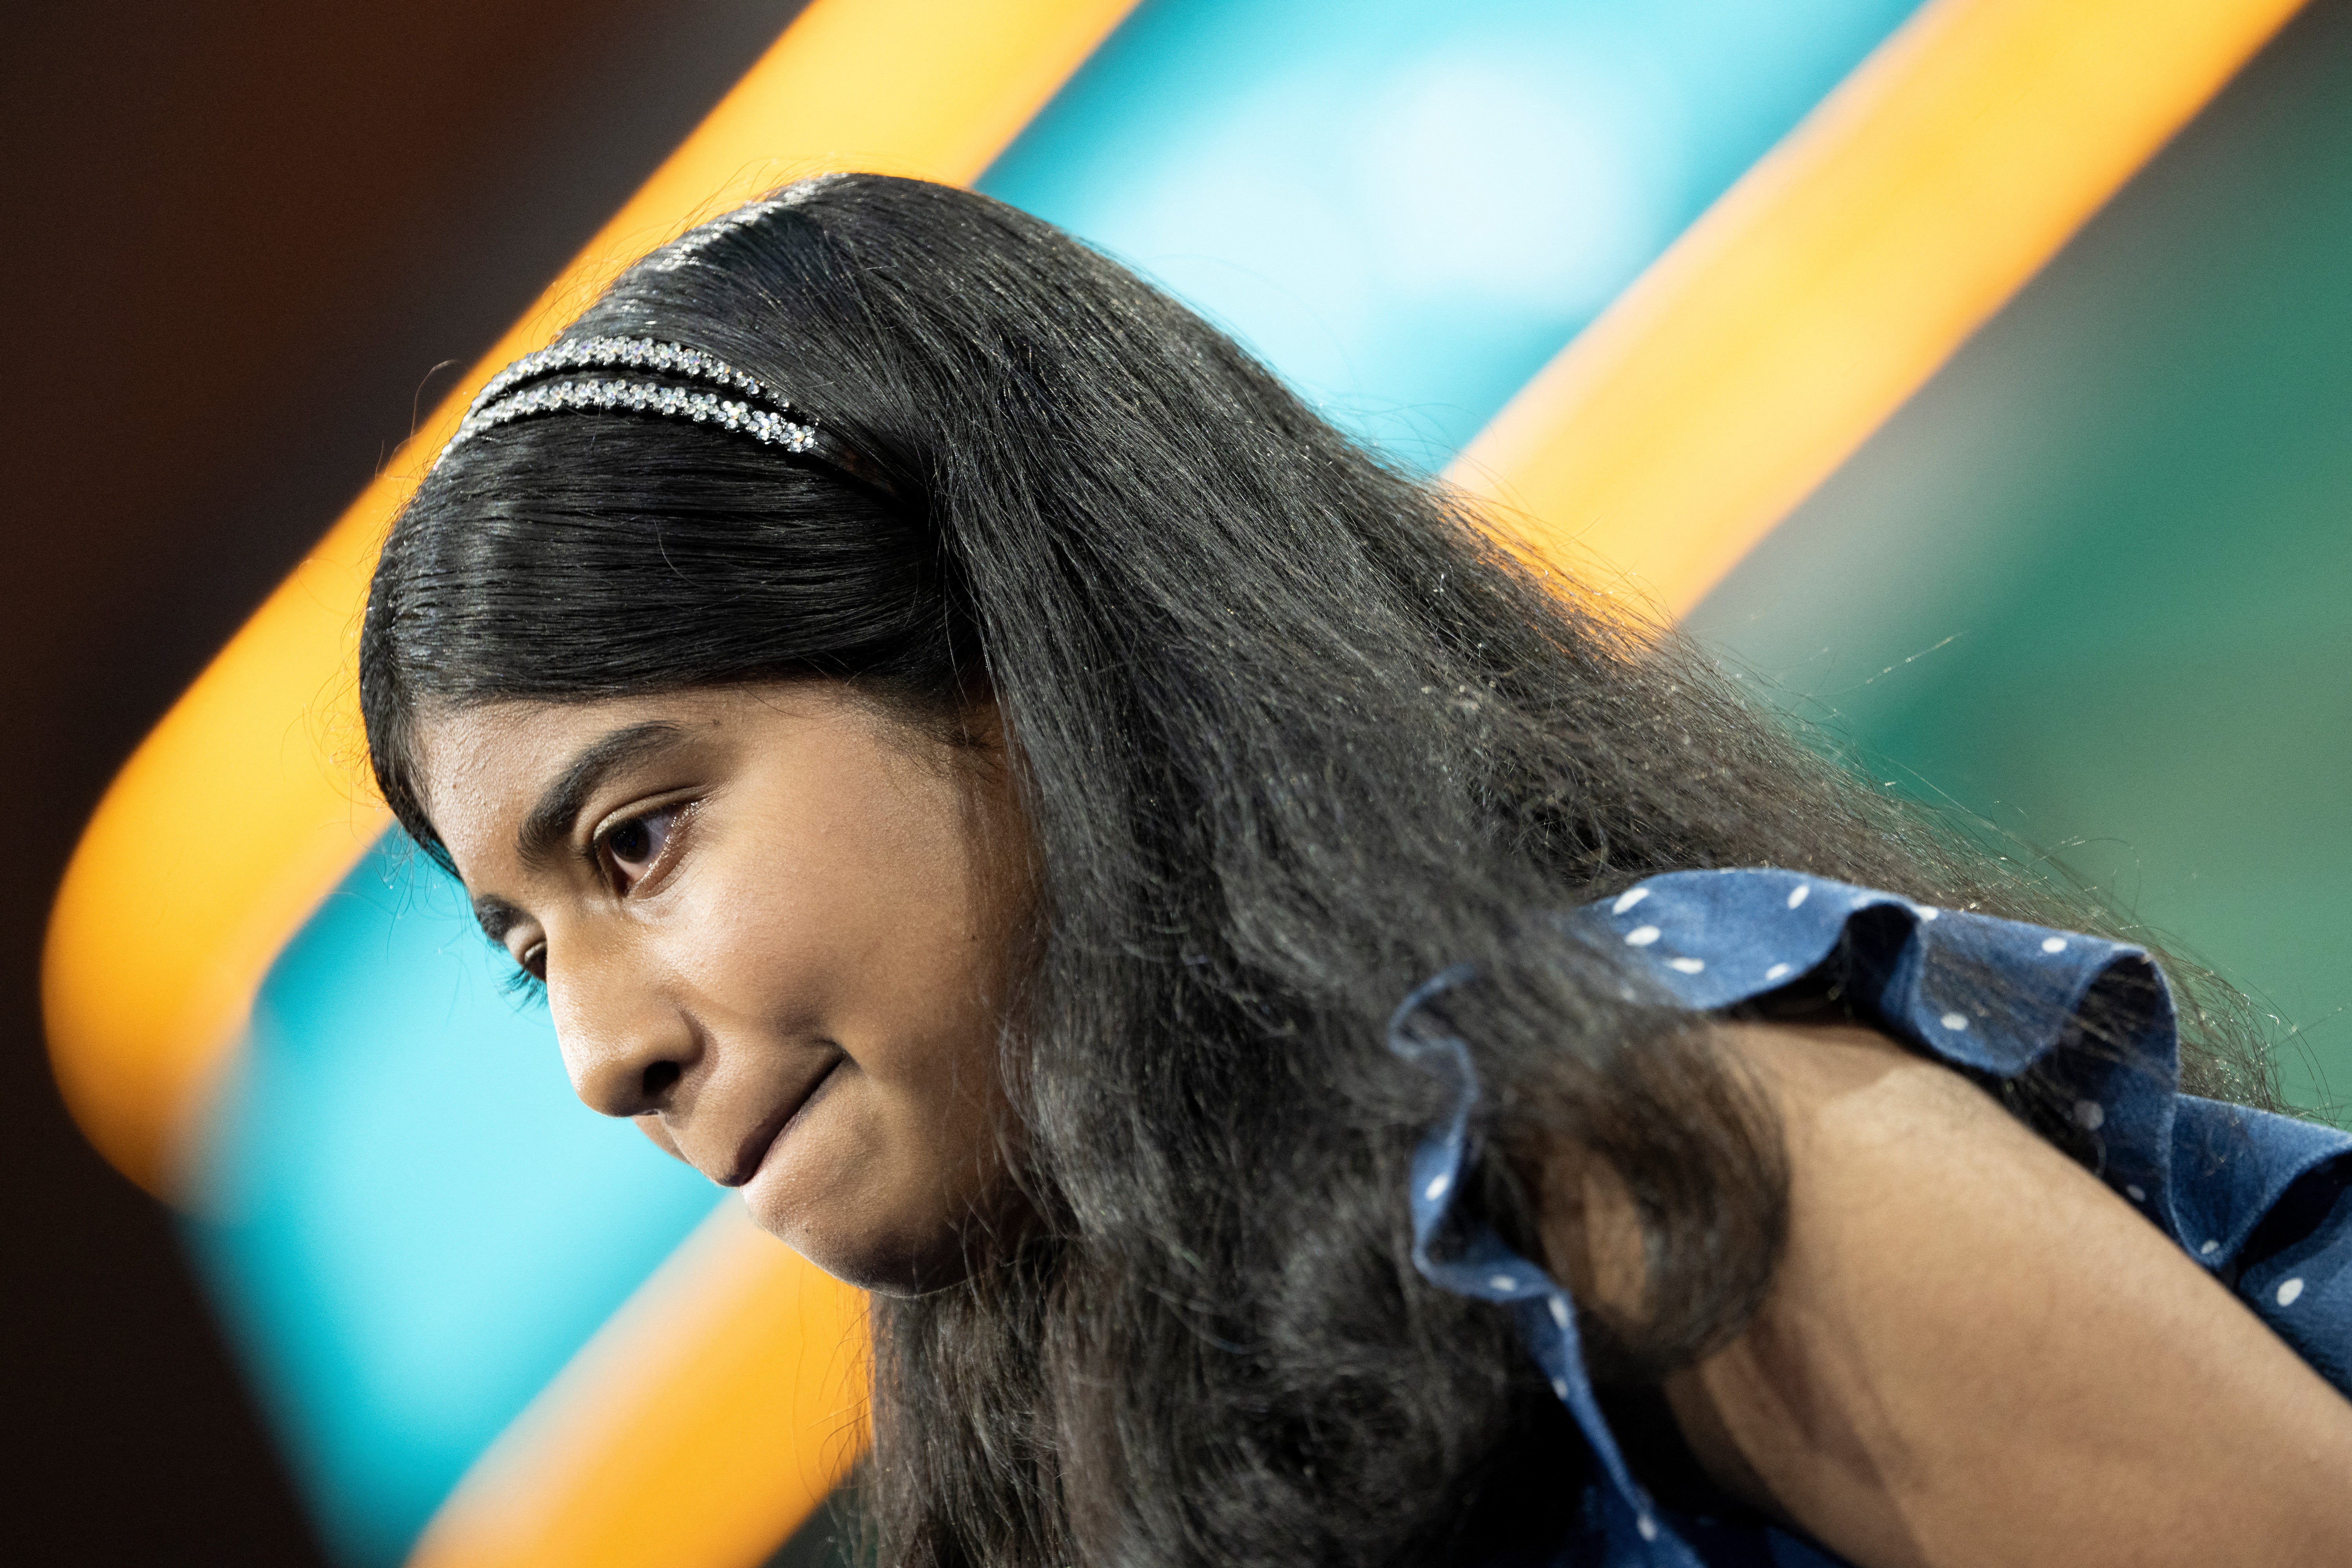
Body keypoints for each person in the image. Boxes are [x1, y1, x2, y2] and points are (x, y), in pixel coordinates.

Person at [359, 174, 2352, 1567]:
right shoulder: (1087, 1447)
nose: (599, 1053)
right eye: (530, 952)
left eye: (640, 840)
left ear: (1020, 663)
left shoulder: (1667, 1149)